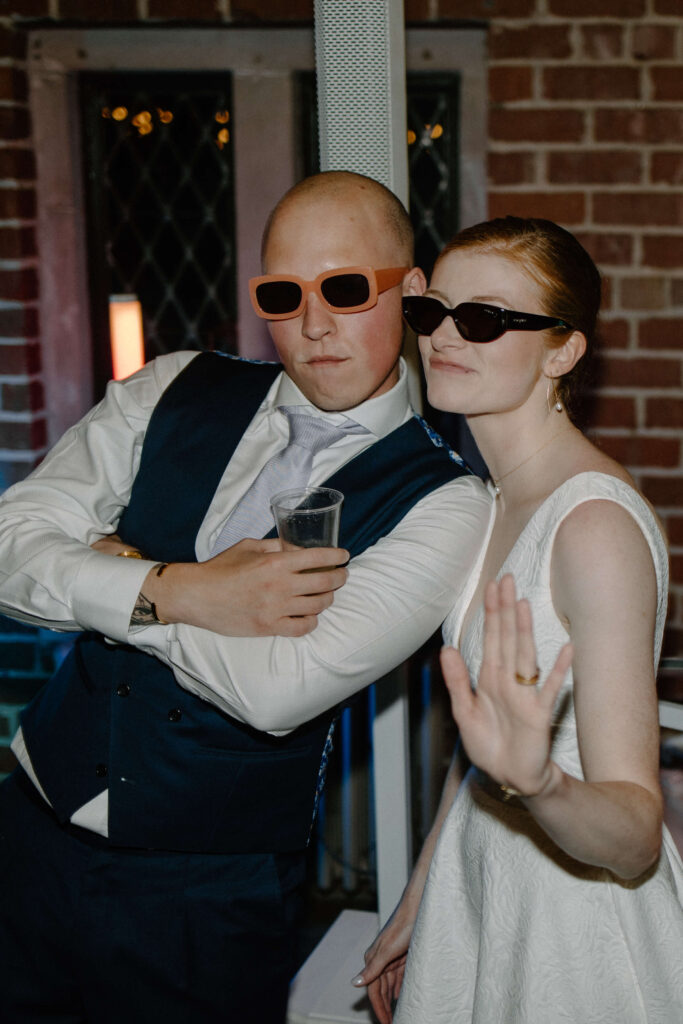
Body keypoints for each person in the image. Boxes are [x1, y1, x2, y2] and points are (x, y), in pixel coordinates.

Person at [0, 171, 491, 1024]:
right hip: (27, 828)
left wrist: (111, 573)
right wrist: (185, 592)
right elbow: (9, 546)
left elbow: (276, 692)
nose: (311, 325)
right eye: (282, 294)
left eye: (344, 289)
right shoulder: (172, 386)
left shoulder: (446, 502)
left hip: (206, 896)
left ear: (411, 293)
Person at [356, 216, 683, 1023]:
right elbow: (484, 750)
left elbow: (637, 832)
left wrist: (536, 781)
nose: (443, 337)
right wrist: (418, 900)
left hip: (572, 929)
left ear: (562, 351)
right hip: (480, 883)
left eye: (485, 320)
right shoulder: (491, 501)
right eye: (433, 312)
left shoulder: (592, 528)